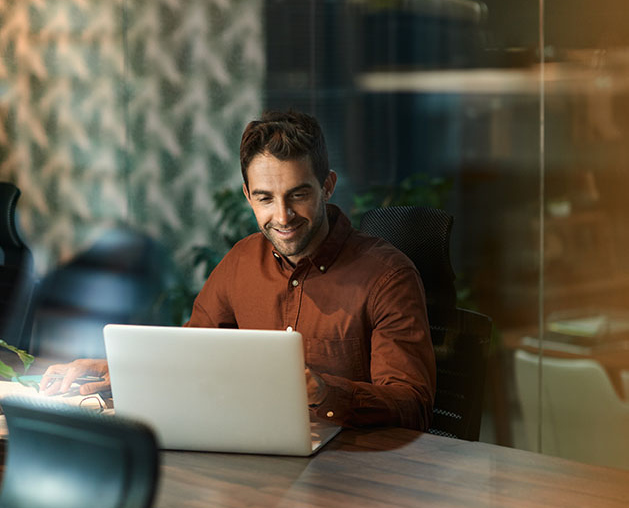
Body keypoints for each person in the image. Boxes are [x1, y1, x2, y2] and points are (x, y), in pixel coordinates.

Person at [40, 110, 436, 430]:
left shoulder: (387, 276)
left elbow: (413, 405)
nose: (282, 216)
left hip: (355, 476)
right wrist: (117, 371)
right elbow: (189, 358)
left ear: (327, 186)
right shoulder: (242, 261)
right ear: (247, 195)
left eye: (298, 195)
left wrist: (323, 392)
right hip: (250, 461)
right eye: (265, 198)